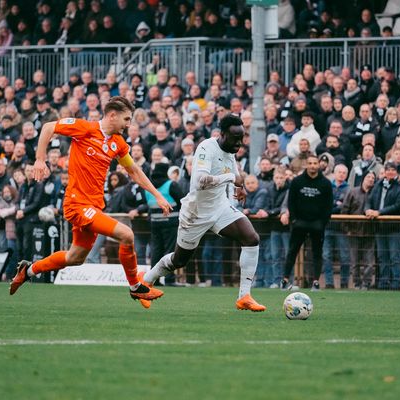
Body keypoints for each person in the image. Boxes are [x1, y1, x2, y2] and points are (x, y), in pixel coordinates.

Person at [9, 96, 169, 307]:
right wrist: (40, 159)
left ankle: (28, 270)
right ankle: (135, 287)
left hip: (93, 207)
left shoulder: (117, 143)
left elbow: (133, 171)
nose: (129, 125)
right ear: (112, 115)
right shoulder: (84, 128)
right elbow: (48, 127)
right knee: (126, 234)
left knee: (75, 258)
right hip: (77, 205)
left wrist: (157, 194)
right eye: (126, 119)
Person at [142, 114, 267, 311]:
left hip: (220, 208)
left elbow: (233, 172)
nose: (239, 143)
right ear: (222, 134)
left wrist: (240, 185)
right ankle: (146, 281)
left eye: (241, 138)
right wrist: (231, 178)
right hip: (195, 213)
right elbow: (200, 181)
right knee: (179, 260)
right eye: (235, 138)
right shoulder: (206, 148)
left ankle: (244, 296)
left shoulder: (230, 150)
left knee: (251, 238)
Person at [280, 154, 333, 291]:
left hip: (317, 224)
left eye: (315, 163)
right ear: (306, 165)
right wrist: (294, 220)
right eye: (310, 163)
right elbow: (291, 202)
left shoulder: (326, 183)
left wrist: (323, 222)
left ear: (319, 165)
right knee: (292, 251)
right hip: (299, 223)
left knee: (317, 253)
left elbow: (328, 205)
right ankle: (285, 280)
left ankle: (315, 282)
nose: (313, 166)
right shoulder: (297, 181)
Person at [367, 162, 400, 290]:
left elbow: (399, 205)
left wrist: (380, 212)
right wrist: (368, 210)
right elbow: (369, 199)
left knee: (394, 256)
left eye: (392, 170)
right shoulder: (378, 184)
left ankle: (396, 283)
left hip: (393, 226)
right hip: (379, 226)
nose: (390, 172)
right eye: (388, 170)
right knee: (382, 256)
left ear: (396, 172)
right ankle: (383, 282)